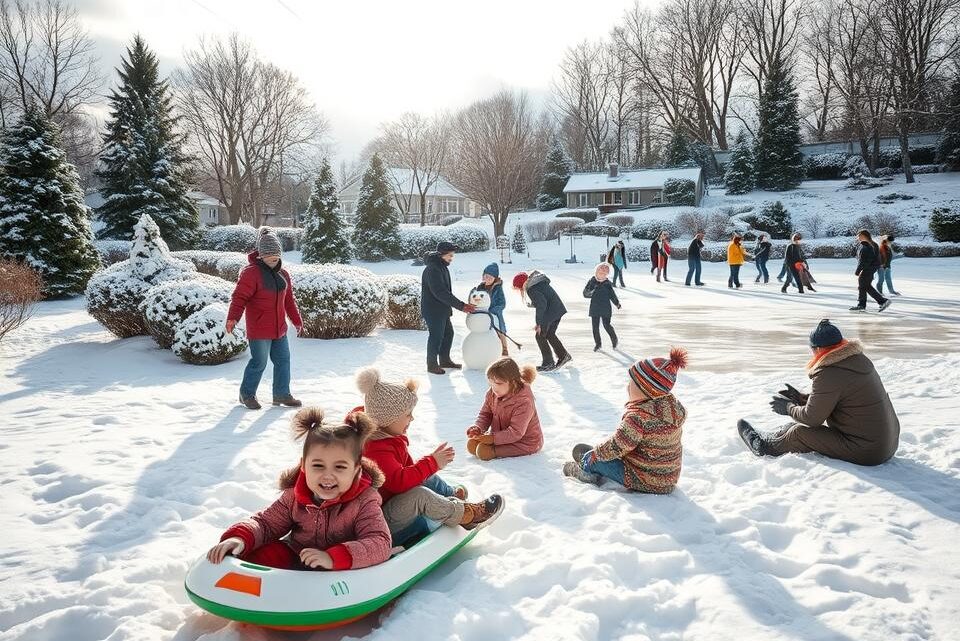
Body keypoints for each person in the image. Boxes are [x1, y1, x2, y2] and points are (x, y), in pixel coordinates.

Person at [207, 408, 391, 570]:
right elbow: (266, 524)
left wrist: (332, 558)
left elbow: (379, 541)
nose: (327, 476)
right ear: (304, 465)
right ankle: (234, 585)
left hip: (342, 566)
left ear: (356, 470)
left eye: (340, 467)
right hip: (298, 552)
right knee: (266, 554)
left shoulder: (364, 500)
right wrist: (239, 538)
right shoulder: (294, 496)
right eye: (318, 466)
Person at [356, 368, 504, 545]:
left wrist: (428, 466)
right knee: (420, 493)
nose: (412, 419)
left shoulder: (385, 433)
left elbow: (407, 472)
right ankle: (466, 515)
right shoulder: (375, 449)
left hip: (388, 503)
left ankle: (451, 495)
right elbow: (399, 483)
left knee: (424, 476)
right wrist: (432, 462)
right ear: (388, 418)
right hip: (380, 524)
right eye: (407, 415)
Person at [737, 319, 900, 466]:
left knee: (798, 433)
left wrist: (788, 408)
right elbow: (840, 398)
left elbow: (812, 419)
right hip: (886, 443)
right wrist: (802, 399)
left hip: (868, 451)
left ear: (818, 349)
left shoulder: (829, 372)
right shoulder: (857, 360)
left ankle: (764, 448)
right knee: (792, 425)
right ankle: (775, 437)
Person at [564, 348, 688, 493]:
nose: (627, 386)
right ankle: (593, 458)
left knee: (593, 459)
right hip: (667, 478)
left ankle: (586, 473)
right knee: (596, 453)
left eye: (632, 383)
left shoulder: (638, 417)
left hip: (645, 479)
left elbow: (618, 445)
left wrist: (595, 454)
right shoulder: (671, 410)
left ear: (647, 390)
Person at [227, 227, 303, 410]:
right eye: (269, 258)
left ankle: (281, 394)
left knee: (283, 360)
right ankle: (246, 394)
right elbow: (239, 298)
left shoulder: (283, 275)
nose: (273, 261)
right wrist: (232, 318)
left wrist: (297, 320)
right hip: (259, 328)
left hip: (279, 329)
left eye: (276, 258)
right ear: (261, 256)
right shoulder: (251, 273)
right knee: (259, 362)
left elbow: (289, 301)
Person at [466, 358, 543, 460]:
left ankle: (493, 449)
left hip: (525, 442)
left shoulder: (524, 402)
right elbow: (486, 414)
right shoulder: (493, 393)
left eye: (498, 383)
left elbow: (516, 432)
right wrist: (478, 428)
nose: (494, 387)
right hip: (501, 436)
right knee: (472, 444)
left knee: (483, 451)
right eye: (491, 383)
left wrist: (493, 438)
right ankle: (492, 444)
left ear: (513, 382)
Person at [421, 241, 477, 375]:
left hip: (441, 309)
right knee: (436, 336)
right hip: (433, 310)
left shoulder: (442, 266)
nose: (452, 258)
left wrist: (459, 305)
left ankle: (445, 360)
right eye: (450, 255)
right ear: (442, 254)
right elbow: (440, 292)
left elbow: (446, 292)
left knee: (448, 334)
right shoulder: (432, 269)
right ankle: (432, 365)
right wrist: (462, 306)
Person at [513, 270, 571, 372]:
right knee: (549, 334)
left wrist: (539, 323)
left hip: (551, 312)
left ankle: (548, 363)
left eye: (518, 288)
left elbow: (542, 304)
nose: (519, 291)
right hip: (557, 310)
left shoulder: (531, 288)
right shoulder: (537, 283)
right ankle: (563, 356)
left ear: (522, 284)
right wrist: (534, 303)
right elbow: (544, 299)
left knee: (540, 335)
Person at [472, 263, 508, 356]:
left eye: (490, 278)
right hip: (482, 313)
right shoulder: (480, 287)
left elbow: (502, 303)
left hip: (495, 313)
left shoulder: (498, 288)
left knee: (500, 330)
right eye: (486, 276)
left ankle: (504, 348)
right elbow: (476, 299)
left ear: (494, 279)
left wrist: (493, 310)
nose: (487, 279)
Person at [851, 229, 891, 312]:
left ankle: (882, 301)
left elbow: (865, 260)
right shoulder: (867, 244)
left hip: (868, 269)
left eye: (859, 236)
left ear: (864, 236)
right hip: (870, 268)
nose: (858, 238)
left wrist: (858, 270)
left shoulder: (868, 245)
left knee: (864, 285)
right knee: (865, 286)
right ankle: (863, 304)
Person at [583, 262, 621, 351]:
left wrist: (617, 303)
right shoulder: (592, 281)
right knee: (595, 327)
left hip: (605, 307)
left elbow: (612, 295)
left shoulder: (607, 284)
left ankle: (614, 340)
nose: (602, 275)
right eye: (600, 273)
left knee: (606, 325)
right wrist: (592, 292)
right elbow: (585, 293)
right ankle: (598, 344)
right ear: (596, 272)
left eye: (604, 274)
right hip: (595, 307)